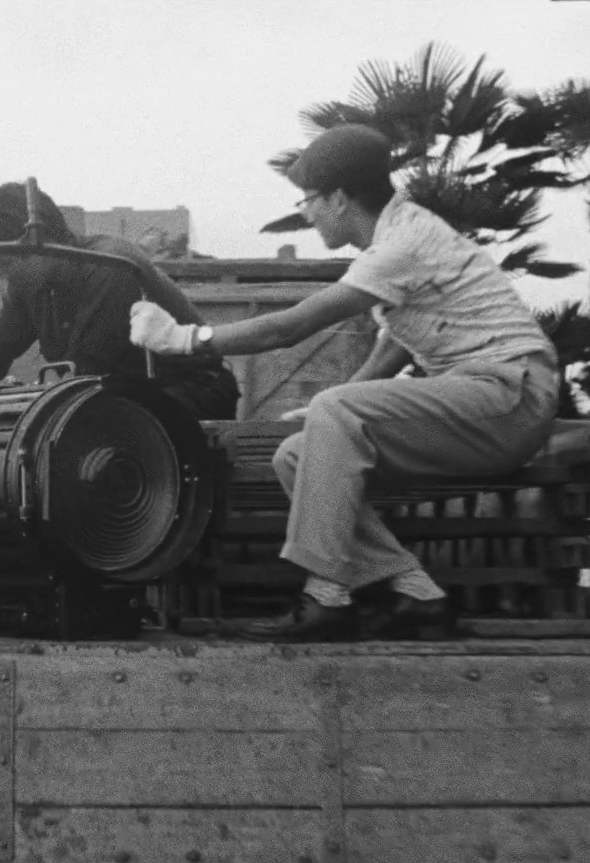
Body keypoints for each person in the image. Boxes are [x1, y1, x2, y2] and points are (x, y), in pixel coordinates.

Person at [129, 124, 559, 642]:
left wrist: (184, 338)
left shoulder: (402, 245)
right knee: (296, 454)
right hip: (488, 398)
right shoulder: (401, 235)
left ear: (337, 198)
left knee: (335, 410)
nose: (307, 214)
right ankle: (417, 593)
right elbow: (397, 341)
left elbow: (290, 327)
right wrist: (337, 408)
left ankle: (326, 597)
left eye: (309, 200)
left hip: (512, 397)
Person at [0, 183, 239, 453]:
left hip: (192, 394)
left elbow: (88, 387)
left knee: (70, 440)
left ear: (39, 243)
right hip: (124, 402)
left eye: (6, 262)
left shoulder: (110, 269)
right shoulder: (35, 287)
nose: (2, 275)